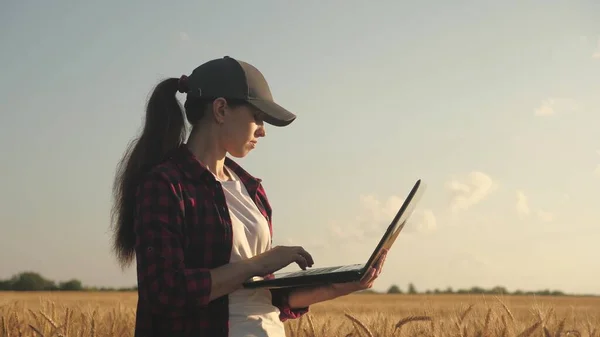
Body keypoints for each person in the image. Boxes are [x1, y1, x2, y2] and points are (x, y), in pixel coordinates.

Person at [110, 56, 387, 337]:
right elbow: (165, 292)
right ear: (220, 109)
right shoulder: (166, 184)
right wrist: (259, 263)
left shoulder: (251, 189)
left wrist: (339, 285)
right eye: (257, 117)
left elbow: (259, 295)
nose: (263, 131)